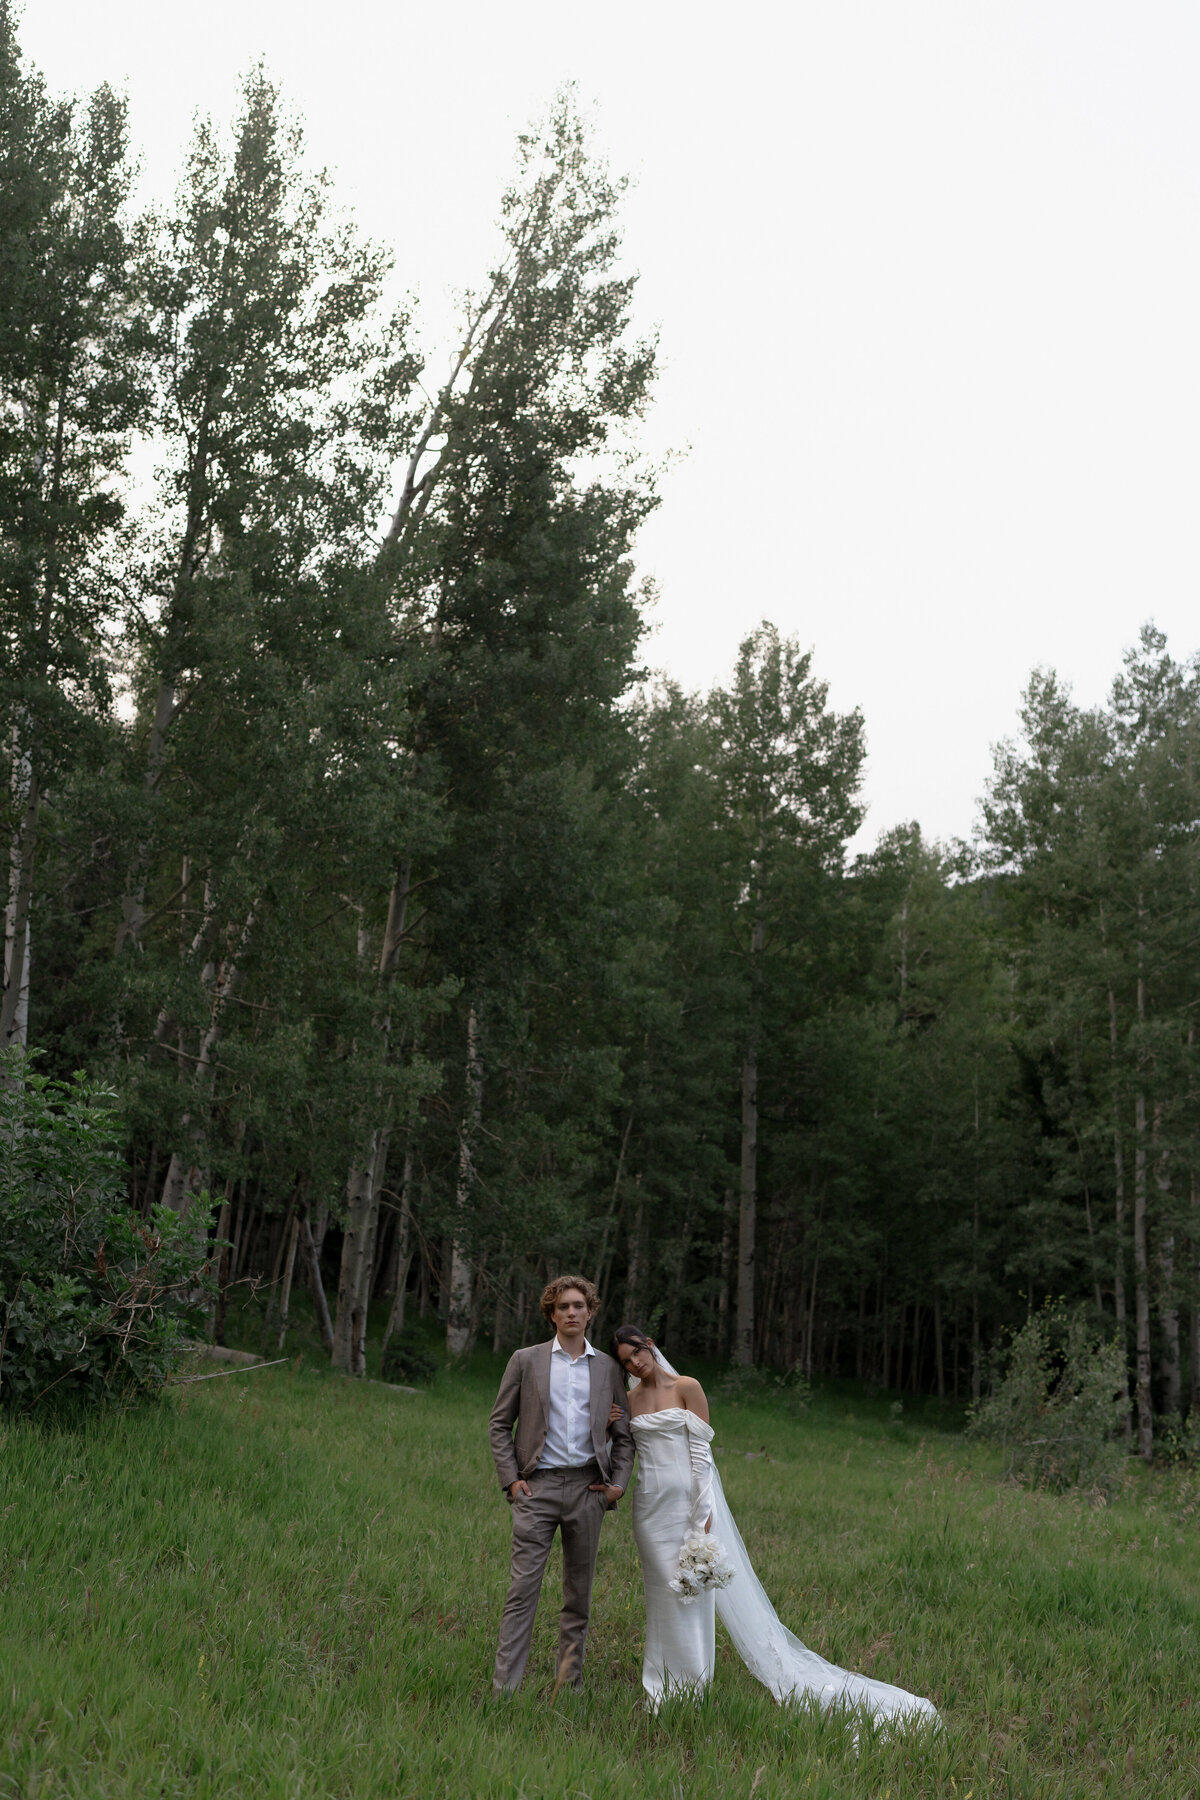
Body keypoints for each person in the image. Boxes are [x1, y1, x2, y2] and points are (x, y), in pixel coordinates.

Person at [611, 1324, 938, 1726]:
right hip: (649, 1508)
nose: (636, 1363)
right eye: (626, 1360)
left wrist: (703, 1518)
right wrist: (612, 1421)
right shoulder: (628, 1401)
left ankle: (692, 1686)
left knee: (693, 1596)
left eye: (638, 1352)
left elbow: (701, 1458)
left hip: (687, 1505)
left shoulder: (687, 1387)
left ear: (651, 1346)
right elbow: (618, 1450)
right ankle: (659, 1687)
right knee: (661, 1597)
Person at [488, 1275, 634, 1694]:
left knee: (578, 1596)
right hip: (537, 1490)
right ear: (551, 1314)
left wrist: (617, 1486)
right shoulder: (526, 1360)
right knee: (521, 1593)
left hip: (589, 1490)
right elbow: (500, 1424)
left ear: (590, 1311)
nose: (571, 1313)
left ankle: (568, 1687)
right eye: (563, 1307)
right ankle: (504, 1691)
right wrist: (512, 1482)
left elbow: (624, 1435)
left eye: (578, 1306)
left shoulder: (607, 1367)